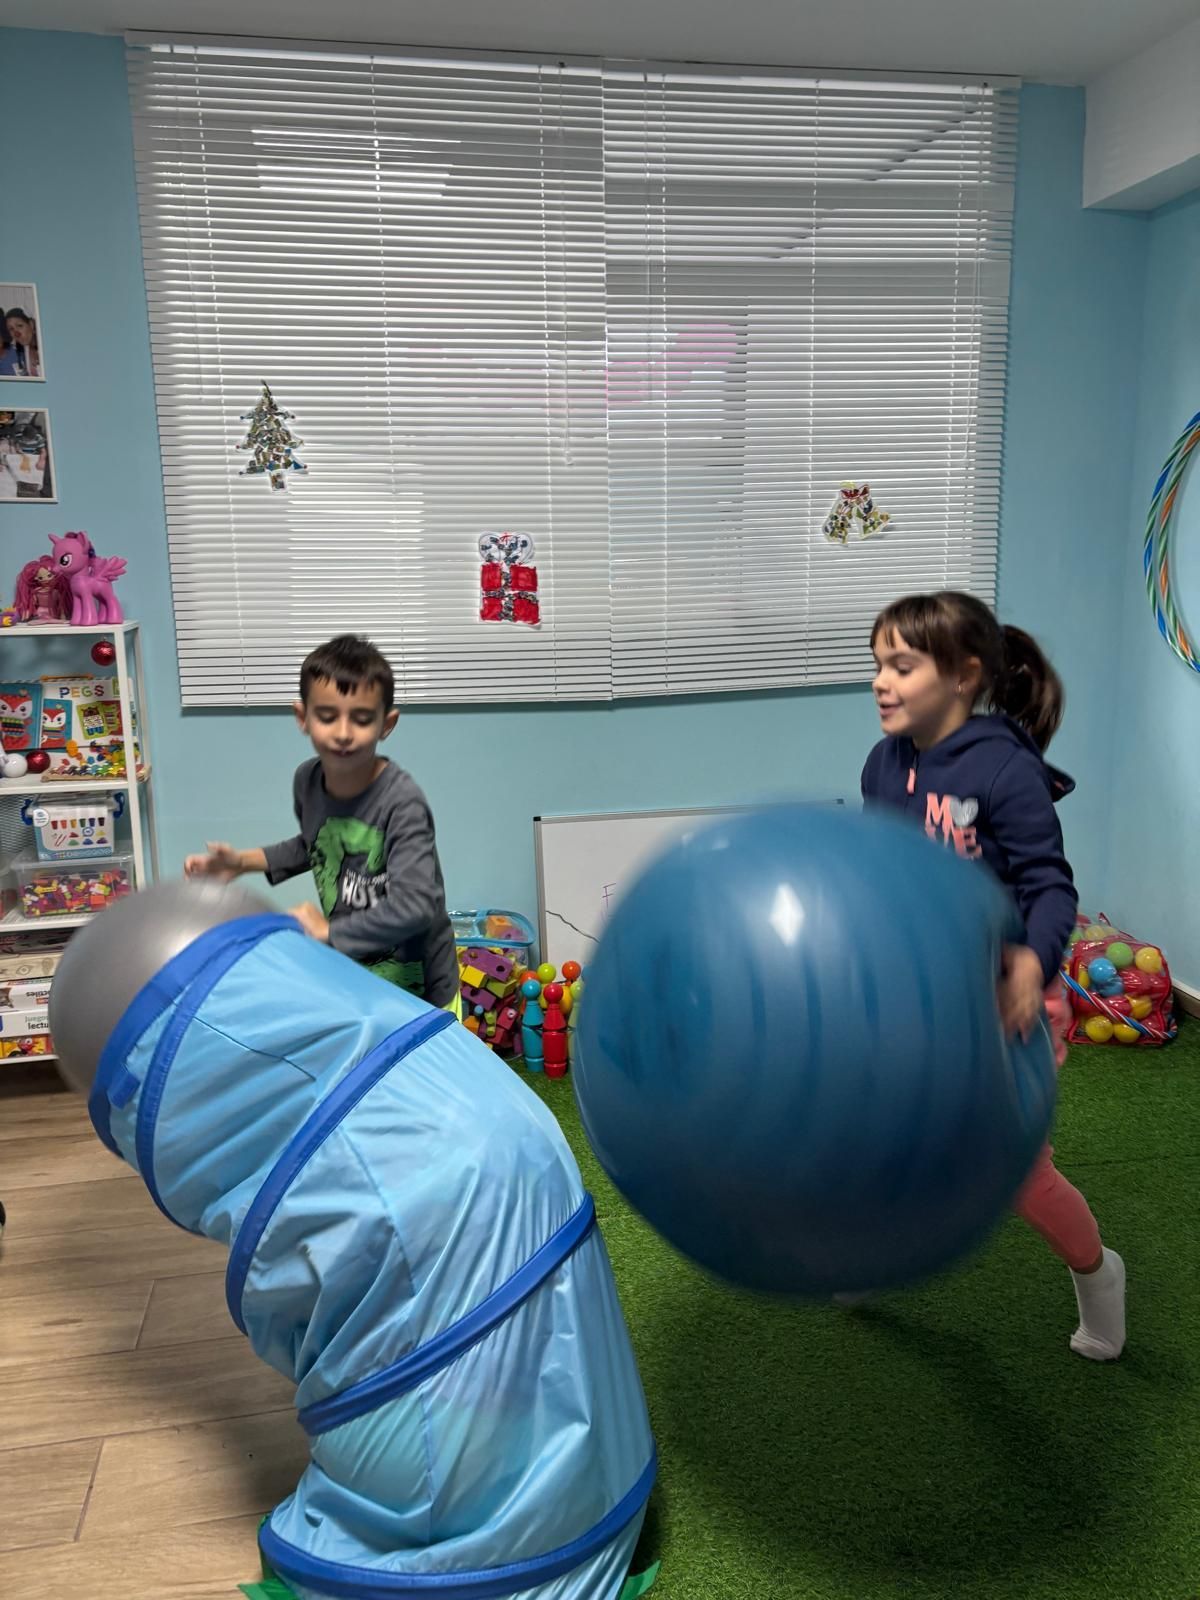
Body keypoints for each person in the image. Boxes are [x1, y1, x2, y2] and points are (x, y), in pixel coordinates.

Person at [861, 590, 1125, 1361]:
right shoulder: (884, 763)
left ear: (964, 675)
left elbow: (1051, 888)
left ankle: (1098, 1274)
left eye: (901, 666)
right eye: (876, 664)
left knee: (1015, 1175)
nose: (880, 681)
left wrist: (1032, 964)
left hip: (1009, 1001)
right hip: (921, 998)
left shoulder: (1007, 771)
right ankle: (866, 1252)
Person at [185, 634, 459, 1009]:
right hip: (355, 974)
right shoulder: (307, 782)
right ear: (303, 718)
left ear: (387, 724)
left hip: (422, 988)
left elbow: (416, 905)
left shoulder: (402, 802)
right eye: (328, 716)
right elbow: (315, 844)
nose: (343, 733)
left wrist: (328, 929)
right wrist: (242, 862)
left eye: (361, 719)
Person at [4, 308, 40, 377]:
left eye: (20, 326)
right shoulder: (21, 351)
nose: (16, 333)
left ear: (31, 325)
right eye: (11, 329)